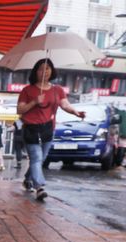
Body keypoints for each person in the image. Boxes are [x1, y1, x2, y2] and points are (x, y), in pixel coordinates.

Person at [17, 58, 85, 201]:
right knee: (36, 157)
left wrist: (76, 112)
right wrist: (35, 101)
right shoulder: (27, 90)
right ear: (36, 71)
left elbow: (65, 105)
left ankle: (28, 179)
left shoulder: (57, 90)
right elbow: (20, 109)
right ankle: (39, 187)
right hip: (31, 128)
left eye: (47, 68)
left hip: (48, 129)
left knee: (40, 159)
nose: (44, 72)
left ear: (52, 71)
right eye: (41, 69)